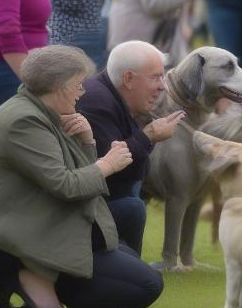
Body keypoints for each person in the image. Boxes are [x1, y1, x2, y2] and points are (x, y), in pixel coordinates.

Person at [0, 45, 164, 308]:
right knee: (146, 286)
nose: (82, 94)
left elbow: (73, 178)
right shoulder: (24, 121)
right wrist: (107, 163)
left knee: (129, 235)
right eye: (78, 86)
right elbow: (66, 186)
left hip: (41, 222)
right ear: (58, 87)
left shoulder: (42, 111)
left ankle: (43, 277)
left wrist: (88, 142)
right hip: (9, 239)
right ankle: (23, 274)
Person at [76, 41, 185, 255]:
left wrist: (146, 137)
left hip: (89, 208)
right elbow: (115, 176)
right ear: (128, 79)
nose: (163, 86)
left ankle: (126, 261)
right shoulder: (97, 103)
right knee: (133, 207)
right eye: (155, 77)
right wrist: (148, 136)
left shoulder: (111, 97)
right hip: (76, 222)